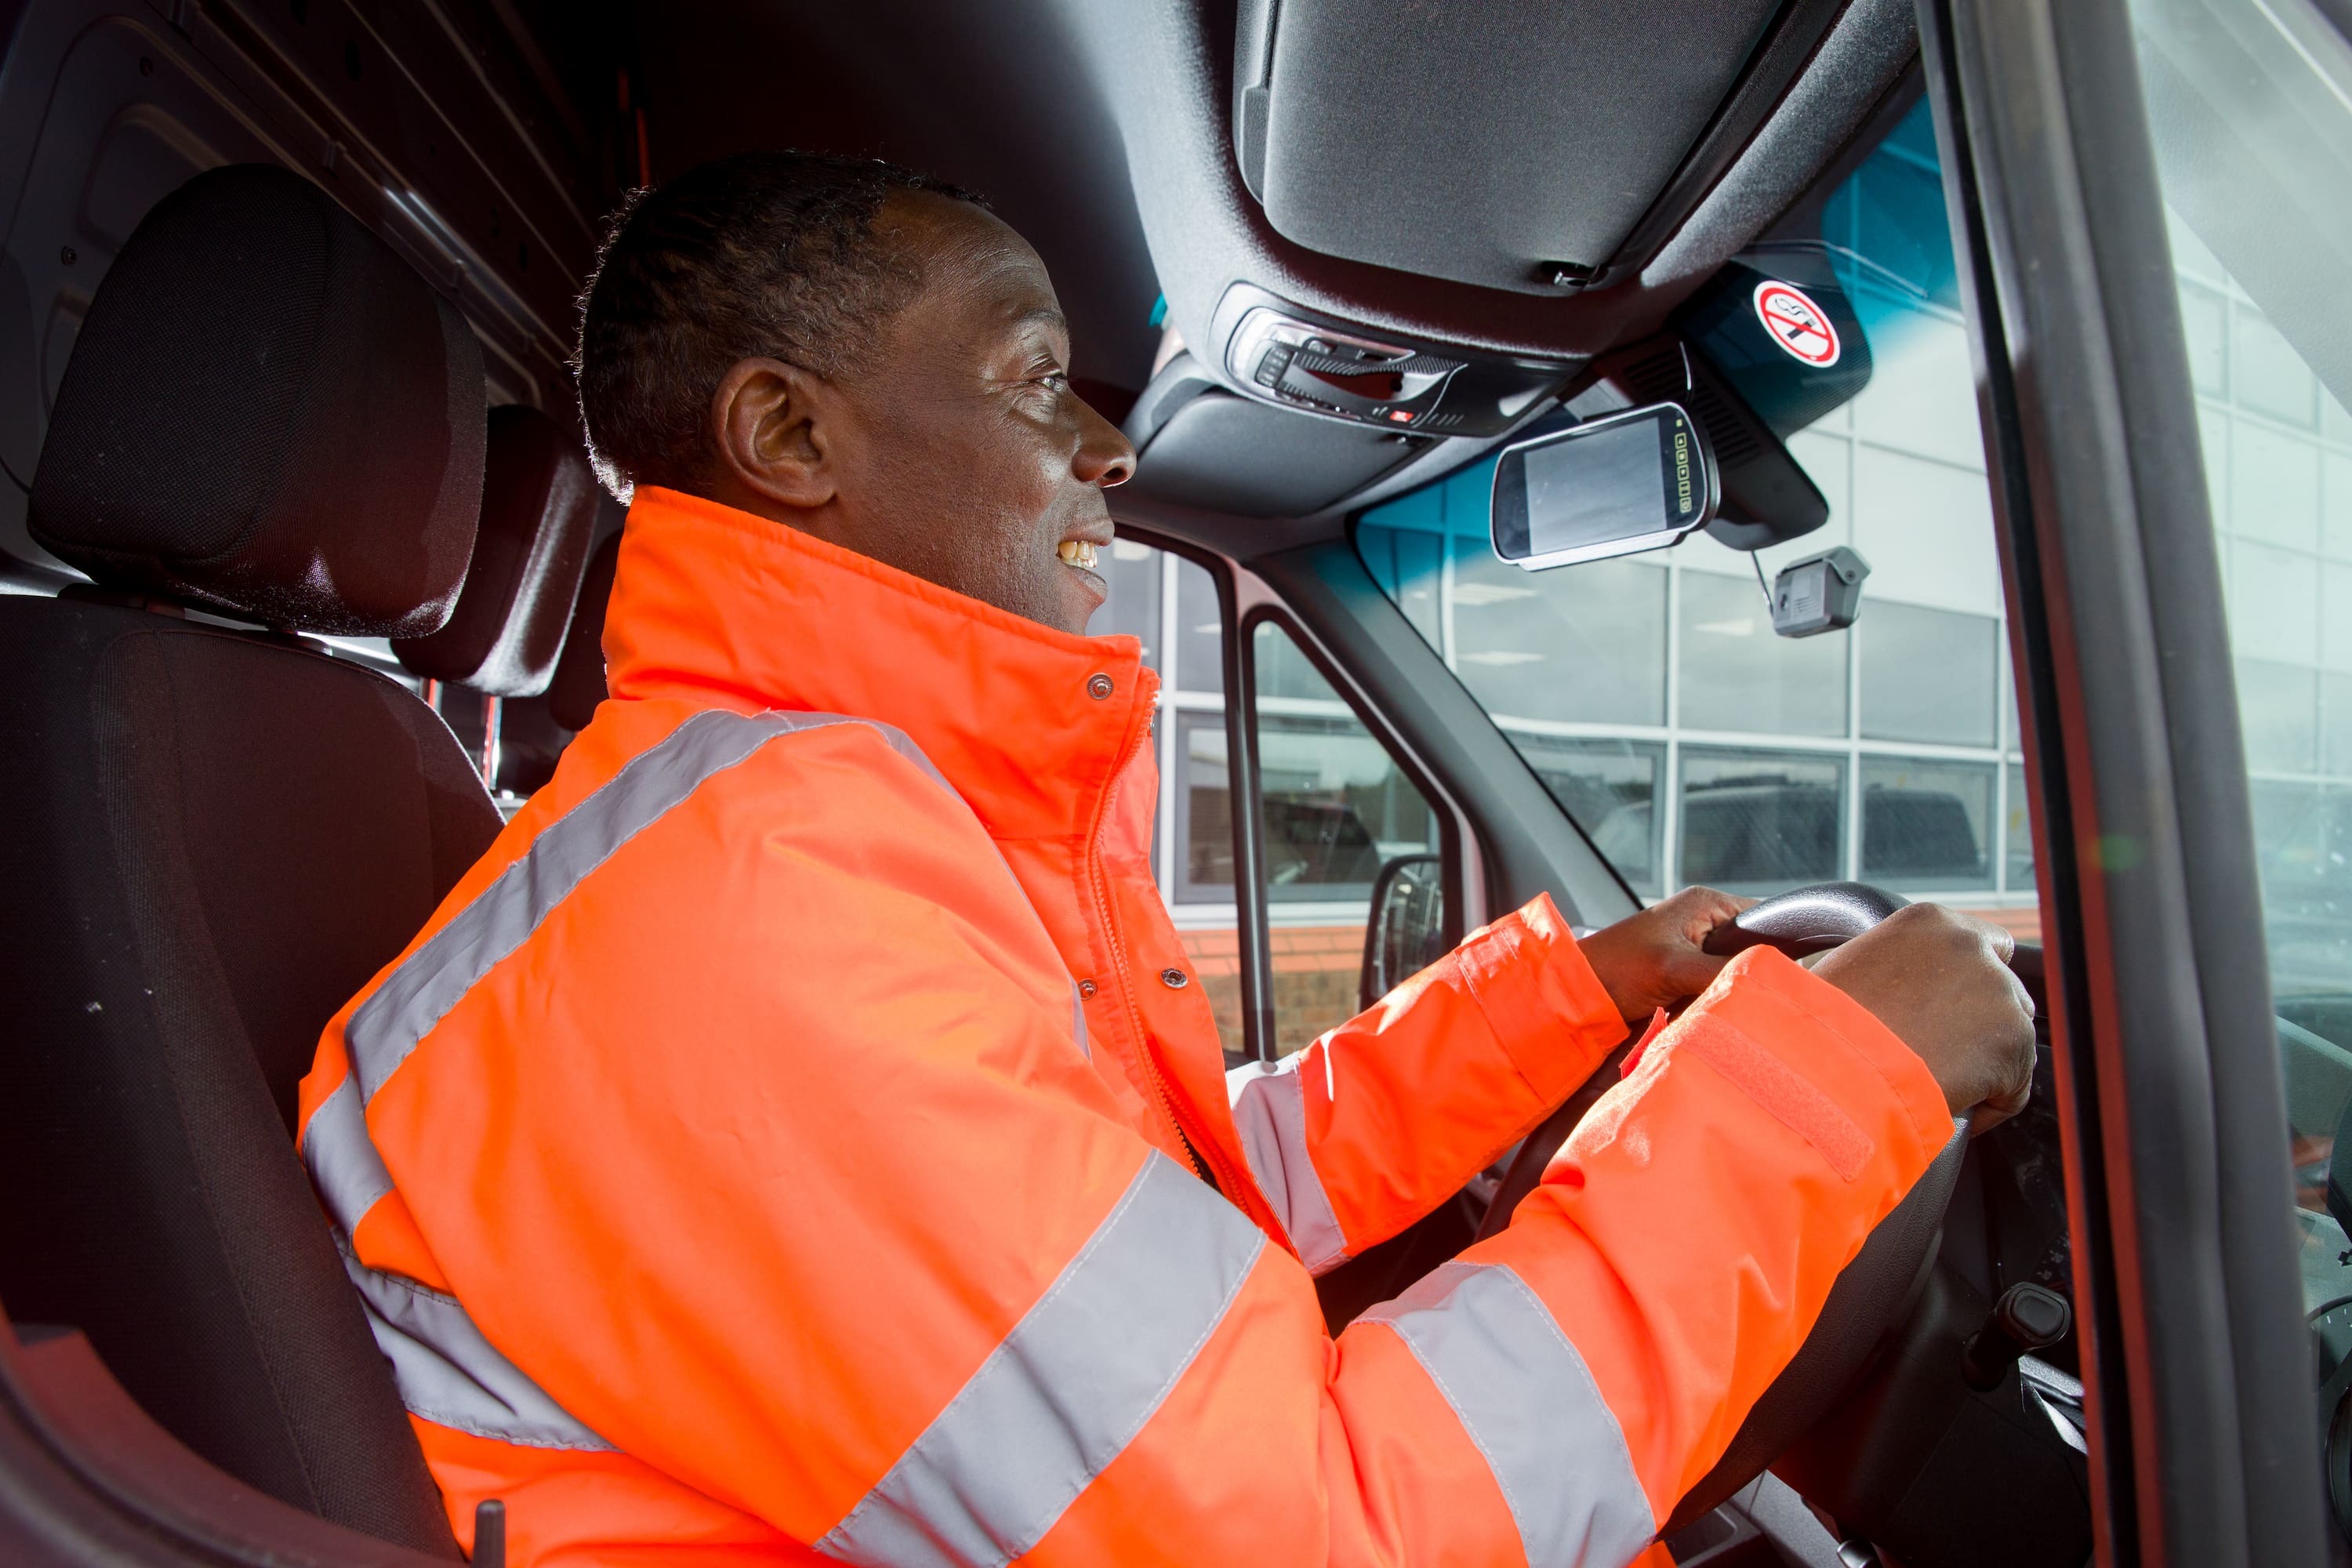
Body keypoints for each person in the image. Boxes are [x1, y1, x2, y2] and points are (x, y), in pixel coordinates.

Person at [297, 151, 2036, 1568]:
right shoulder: (752, 907)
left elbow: (1194, 1190)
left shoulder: (864, 824)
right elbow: (1314, 1530)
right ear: (793, 440)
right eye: (1036, 375)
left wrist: (1573, 999)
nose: (1109, 446)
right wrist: (1828, 1083)